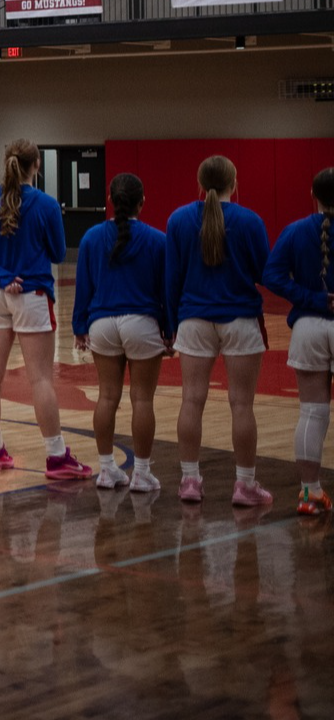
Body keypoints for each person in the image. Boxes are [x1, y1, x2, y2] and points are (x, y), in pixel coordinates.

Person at [0, 139, 91, 479]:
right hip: (32, 294)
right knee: (40, 379)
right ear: (36, 166)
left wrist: (2, 276)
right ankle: (55, 455)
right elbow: (56, 252)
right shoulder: (46, 205)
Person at [164, 155, 270, 504]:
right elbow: (262, 272)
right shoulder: (250, 221)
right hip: (240, 318)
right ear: (233, 183)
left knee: (191, 401)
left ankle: (190, 482)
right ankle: (245, 486)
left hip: (193, 318)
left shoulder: (178, 220)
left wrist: (171, 324)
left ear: (199, 183)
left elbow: (172, 279)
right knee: (242, 405)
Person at [70, 171, 167, 489]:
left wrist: (79, 326)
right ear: (143, 201)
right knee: (142, 400)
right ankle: (141, 472)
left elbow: (83, 287)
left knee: (107, 397)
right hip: (142, 323)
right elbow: (165, 291)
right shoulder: (157, 240)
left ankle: (107, 469)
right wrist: (169, 329)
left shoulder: (91, 238)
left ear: (110, 200)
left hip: (102, 324)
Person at [268, 169, 334, 514]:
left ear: (313, 193)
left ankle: (310, 494)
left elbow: (272, 275)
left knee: (312, 412)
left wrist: (311, 298)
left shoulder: (295, 231)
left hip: (309, 327)